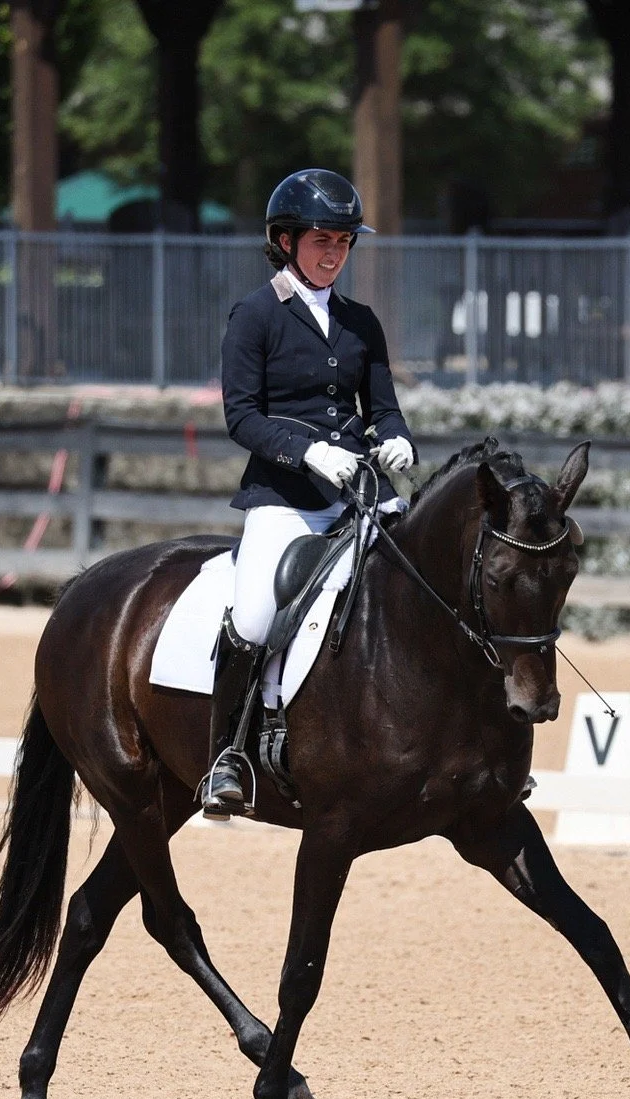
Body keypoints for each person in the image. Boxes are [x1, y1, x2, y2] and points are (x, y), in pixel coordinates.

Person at [201, 168, 417, 820]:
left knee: (427, 586)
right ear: (286, 240)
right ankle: (226, 757)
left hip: (358, 493)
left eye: (345, 242)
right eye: (323, 239)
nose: (335, 253)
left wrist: (398, 439)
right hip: (285, 498)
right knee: (257, 616)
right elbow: (241, 416)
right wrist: (307, 451)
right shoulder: (256, 315)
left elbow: (384, 407)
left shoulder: (360, 321)